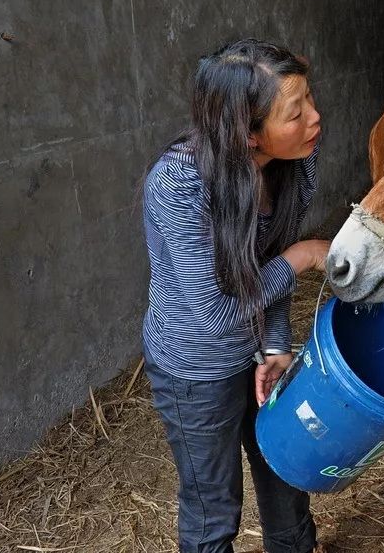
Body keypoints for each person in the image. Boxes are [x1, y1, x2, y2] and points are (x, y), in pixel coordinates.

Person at [140, 38, 330, 553]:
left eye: (311, 99)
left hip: (257, 352)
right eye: (296, 112)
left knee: (286, 482)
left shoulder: (296, 163)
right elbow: (215, 311)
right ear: (249, 134)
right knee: (213, 510)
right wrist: (302, 258)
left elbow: (262, 265)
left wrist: (275, 346)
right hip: (195, 368)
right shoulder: (180, 184)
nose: (315, 118)